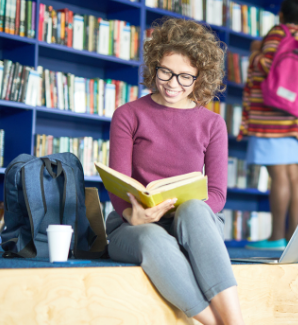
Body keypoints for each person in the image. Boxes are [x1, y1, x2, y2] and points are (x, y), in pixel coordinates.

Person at [104, 19, 245, 325]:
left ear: (200, 78)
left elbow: (218, 194)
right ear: (155, 65)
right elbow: (118, 187)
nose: (172, 83)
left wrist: (180, 213)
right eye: (165, 71)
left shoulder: (212, 124)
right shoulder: (128, 115)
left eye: (185, 77)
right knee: (154, 238)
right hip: (133, 227)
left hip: (191, 226)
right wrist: (132, 215)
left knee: (195, 208)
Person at [239, 0, 298, 251]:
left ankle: (275, 237)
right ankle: (292, 238)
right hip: (297, 117)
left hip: (271, 117)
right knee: (294, 174)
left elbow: (267, 66)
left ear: (281, 14)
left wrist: (254, 52)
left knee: (278, 175)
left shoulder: (277, 33)